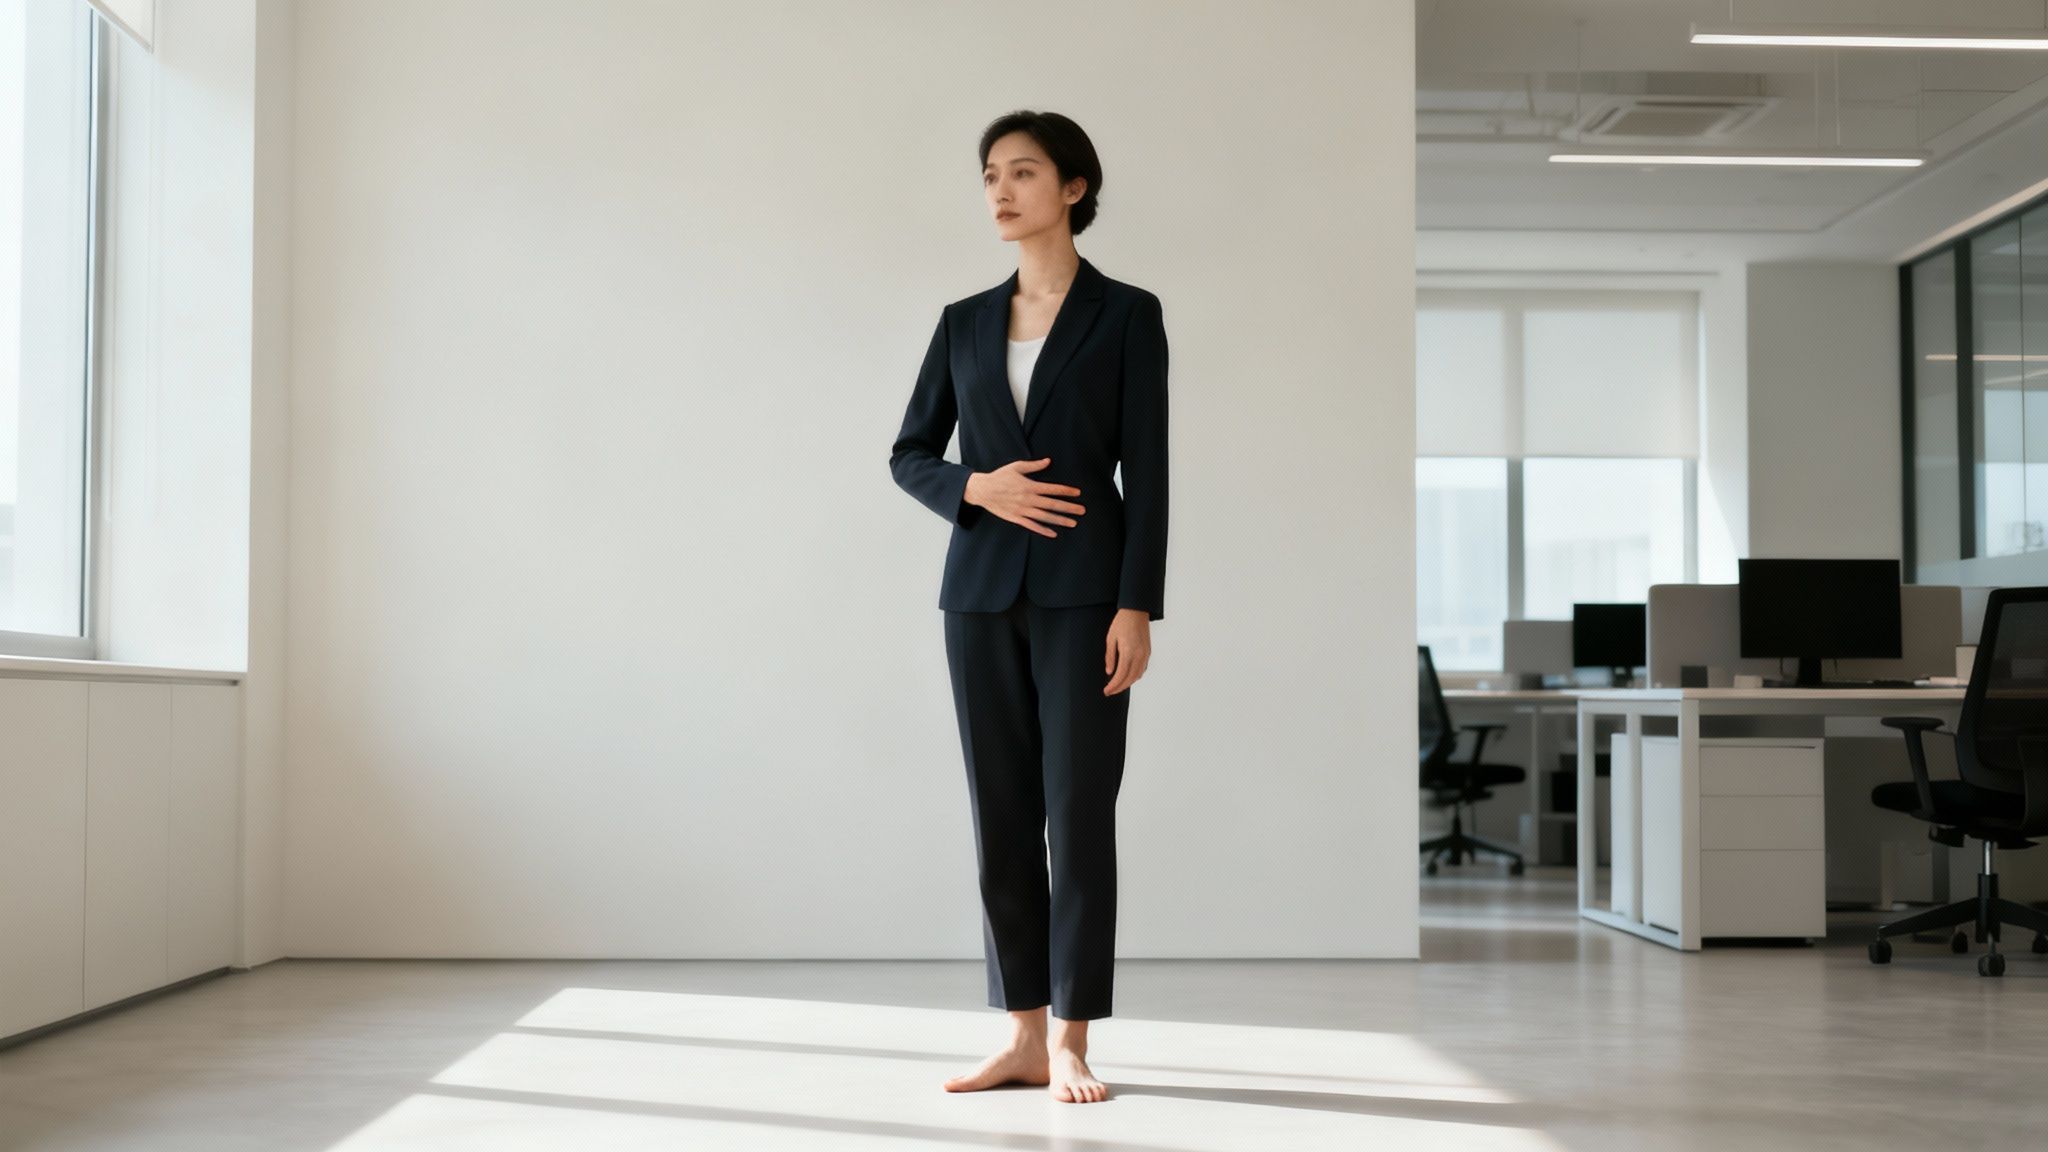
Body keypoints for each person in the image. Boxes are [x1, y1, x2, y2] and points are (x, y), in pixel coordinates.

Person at [888, 109, 1169, 1105]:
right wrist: (977, 487)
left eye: (1022, 173)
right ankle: (1017, 1031)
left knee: (1076, 816)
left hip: (1085, 598)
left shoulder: (1127, 314)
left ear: (1074, 188)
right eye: (989, 176)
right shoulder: (963, 320)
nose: (1000, 192)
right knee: (1000, 816)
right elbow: (909, 452)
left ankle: (1072, 1039)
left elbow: (1152, 468)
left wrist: (1136, 605)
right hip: (977, 599)